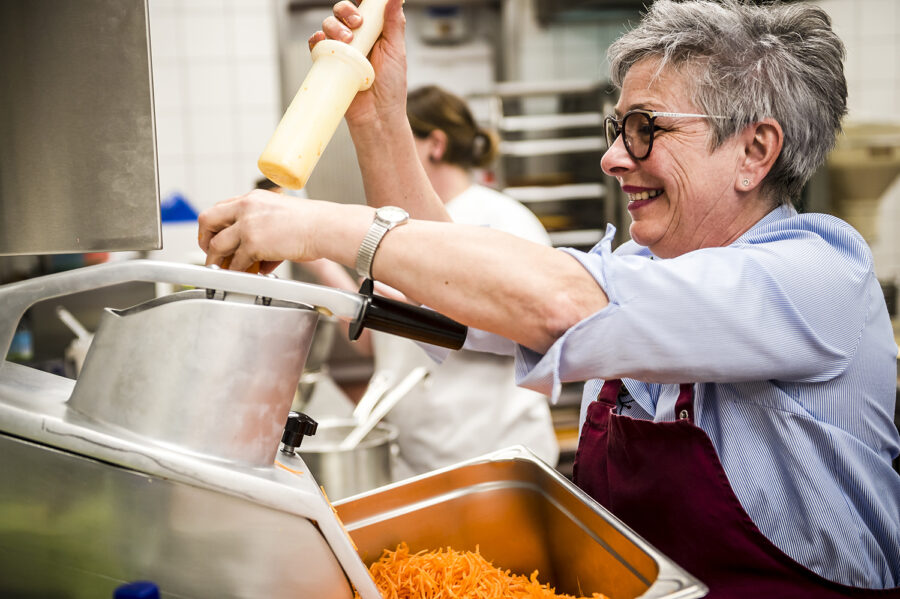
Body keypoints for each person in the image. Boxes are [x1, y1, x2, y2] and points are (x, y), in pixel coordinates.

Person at [198, 0, 900, 594]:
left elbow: (558, 303)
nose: (613, 158)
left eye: (644, 129)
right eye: (617, 129)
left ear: (754, 151)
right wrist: (379, 117)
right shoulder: (644, 267)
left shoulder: (817, 276)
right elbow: (456, 289)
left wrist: (318, 225)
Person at [301, 84, 560, 477]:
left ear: (435, 144)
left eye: (396, 136)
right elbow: (372, 341)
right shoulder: (395, 228)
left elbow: (538, 333)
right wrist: (320, 263)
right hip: (414, 457)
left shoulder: (504, 221)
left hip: (496, 454)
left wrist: (434, 302)